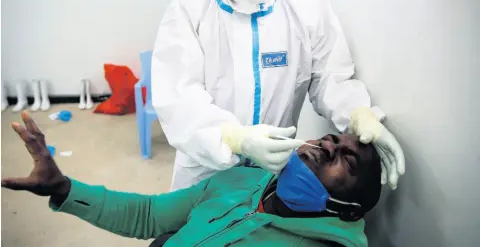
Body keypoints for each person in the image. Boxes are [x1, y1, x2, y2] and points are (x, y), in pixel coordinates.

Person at [151, 0, 405, 191]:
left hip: (272, 169)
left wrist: (358, 114)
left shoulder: (310, 9)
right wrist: (232, 138)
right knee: (193, 228)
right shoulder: (189, 7)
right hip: (205, 167)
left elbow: (332, 79)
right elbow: (178, 94)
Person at [3, 112, 382, 247]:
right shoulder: (241, 180)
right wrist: (65, 188)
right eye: (329, 140)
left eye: (347, 162)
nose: (327, 148)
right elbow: (149, 215)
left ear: (349, 211)